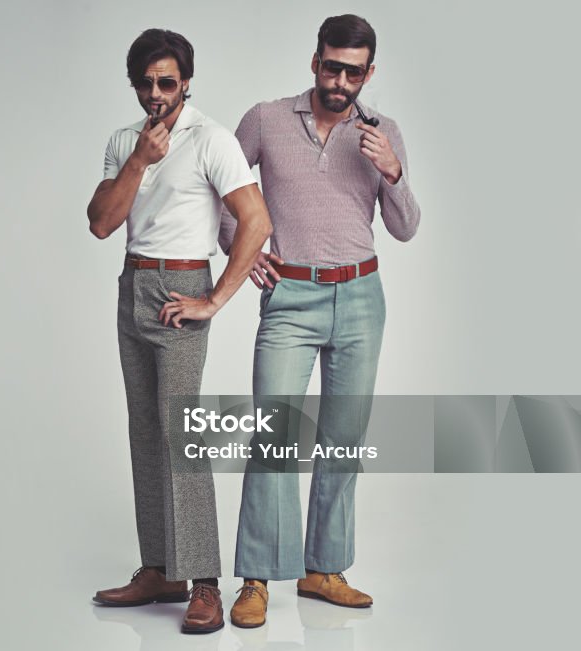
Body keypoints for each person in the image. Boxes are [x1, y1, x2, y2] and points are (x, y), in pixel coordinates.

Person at [219, 14, 421, 629]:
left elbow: (406, 227)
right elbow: (218, 189)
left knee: (344, 439)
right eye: (330, 66)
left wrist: (392, 171)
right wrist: (245, 247)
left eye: (352, 71)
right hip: (291, 298)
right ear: (314, 61)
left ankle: (323, 567)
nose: (339, 80)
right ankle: (256, 577)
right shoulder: (266, 119)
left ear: (368, 73)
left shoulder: (384, 133)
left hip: (361, 297)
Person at [87, 28, 272, 634]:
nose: (156, 94)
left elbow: (256, 221)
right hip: (133, 285)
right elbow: (100, 223)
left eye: (167, 82)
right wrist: (140, 160)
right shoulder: (124, 143)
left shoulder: (212, 138)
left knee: (181, 435)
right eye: (146, 83)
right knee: (146, 432)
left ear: (186, 83)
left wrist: (214, 300)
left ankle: (204, 584)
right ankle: (160, 568)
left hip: (182, 289)